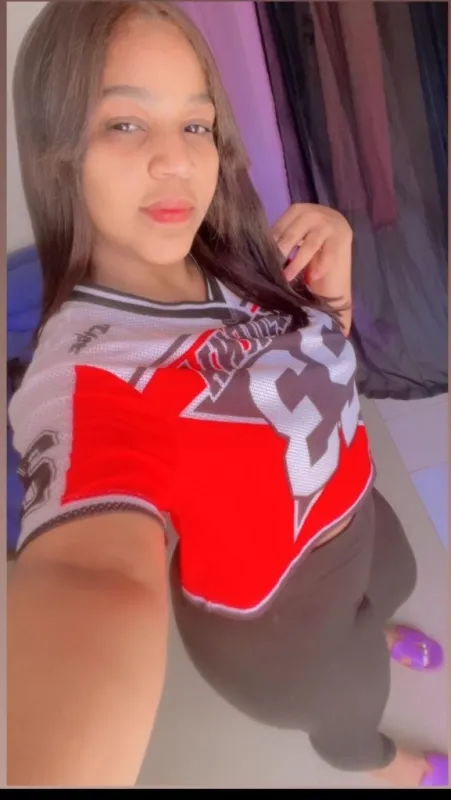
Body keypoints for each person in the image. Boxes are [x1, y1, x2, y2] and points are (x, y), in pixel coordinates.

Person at [7, 0, 447, 789]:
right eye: (125, 124)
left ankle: (373, 633)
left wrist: (333, 293)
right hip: (281, 631)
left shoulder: (238, 254)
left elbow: (316, 374)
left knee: (394, 587)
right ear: (55, 151)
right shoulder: (86, 373)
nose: (177, 162)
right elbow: (92, 578)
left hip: (361, 519)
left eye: (196, 124)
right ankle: (387, 768)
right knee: (352, 716)